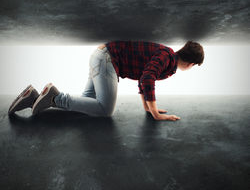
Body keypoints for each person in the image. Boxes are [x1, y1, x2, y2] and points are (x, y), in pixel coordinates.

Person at [8, 40, 204, 121]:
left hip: (102, 57)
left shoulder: (168, 59)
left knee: (86, 105)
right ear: (191, 63)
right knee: (105, 109)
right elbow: (147, 77)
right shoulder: (167, 57)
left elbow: (143, 78)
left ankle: (32, 98)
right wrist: (155, 113)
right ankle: (55, 97)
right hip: (107, 59)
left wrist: (147, 107)